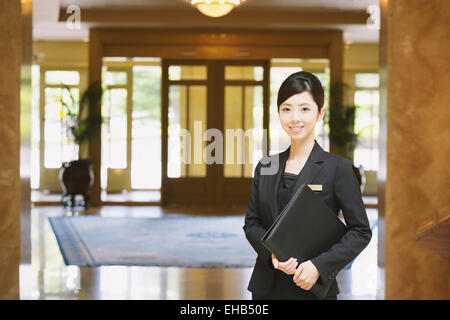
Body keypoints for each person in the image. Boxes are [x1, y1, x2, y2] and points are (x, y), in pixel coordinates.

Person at [243, 71, 372, 300]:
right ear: (279, 113)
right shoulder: (266, 166)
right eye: (286, 109)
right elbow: (251, 223)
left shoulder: (338, 169)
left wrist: (318, 266)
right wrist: (271, 255)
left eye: (304, 108)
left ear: (320, 113)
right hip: (265, 289)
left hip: (311, 290)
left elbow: (360, 231)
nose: (295, 118)